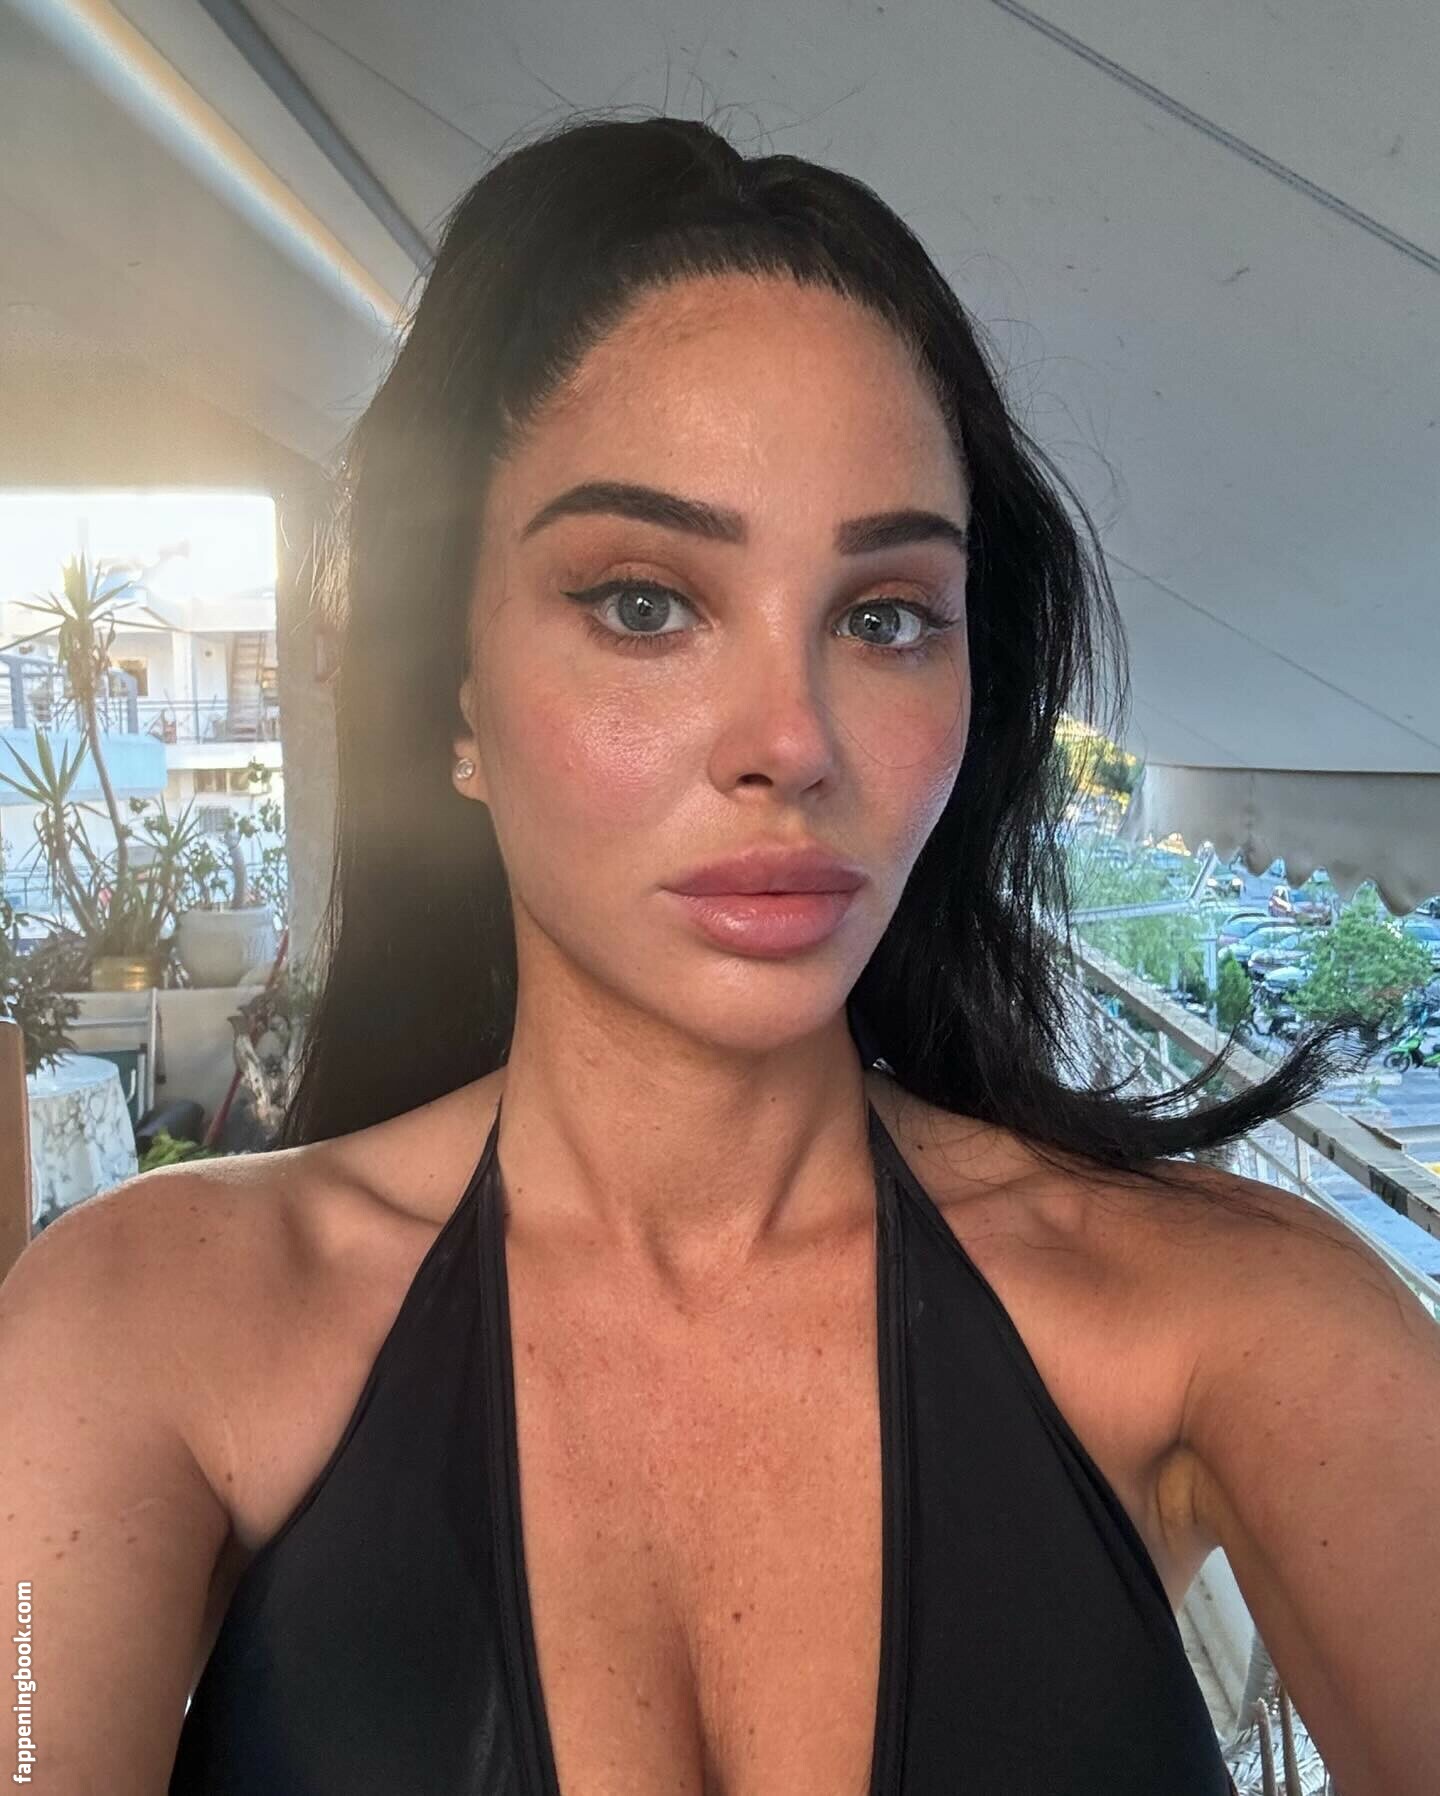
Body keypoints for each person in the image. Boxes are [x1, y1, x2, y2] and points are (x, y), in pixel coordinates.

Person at [2, 111, 1437, 1796]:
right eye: (643, 602)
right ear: (452, 694)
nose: (792, 741)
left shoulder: (1242, 1319)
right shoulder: (144, 1322)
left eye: (884, 618)